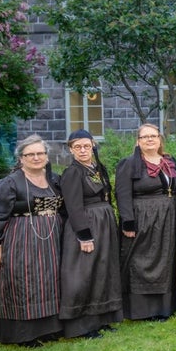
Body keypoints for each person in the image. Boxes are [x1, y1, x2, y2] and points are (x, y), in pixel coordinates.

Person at [0, 135, 63, 346]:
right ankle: (24, 334)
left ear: (46, 156)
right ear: (21, 158)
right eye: (31, 154)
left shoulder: (54, 179)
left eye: (40, 153)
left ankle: (49, 329)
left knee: (49, 282)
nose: (36, 157)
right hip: (21, 239)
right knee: (24, 282)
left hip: (51, 238)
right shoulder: (9, 183)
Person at [60, 129, 123, 338]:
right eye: (77, 147)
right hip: (87, 224)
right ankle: (82, 325)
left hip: (104, 222)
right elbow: (73, 206)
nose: (83, 150)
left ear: (93, 145)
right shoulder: (72, 172)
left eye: (86, 146)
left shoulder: (98, 168)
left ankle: (101, 318)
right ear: (71, 150)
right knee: (84, 273)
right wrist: (84, 235)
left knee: (102, 270)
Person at [115, 124, 176, 321]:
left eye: (153, 136)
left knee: (166, 260)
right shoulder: (129, 163)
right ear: (138, 141)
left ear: (160, 139)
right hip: (143, 218)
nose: (150, 140)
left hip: (170, 217)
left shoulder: (169, 161)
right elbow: (122, 193)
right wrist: (128, 222)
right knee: (142, 260)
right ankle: (143, 309)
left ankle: (164, 307)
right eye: (145, 137)